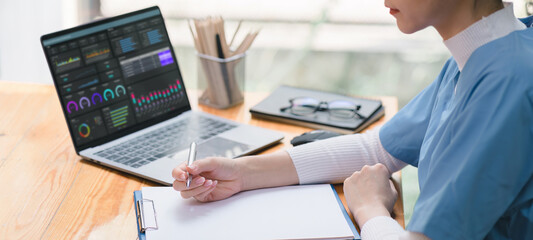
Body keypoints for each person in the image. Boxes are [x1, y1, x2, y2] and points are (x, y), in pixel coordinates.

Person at [172, 0, 533, 239]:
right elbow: (378, 147)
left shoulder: (506, 82)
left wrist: (370, 208)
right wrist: (242, 173)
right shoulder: (487, 53)